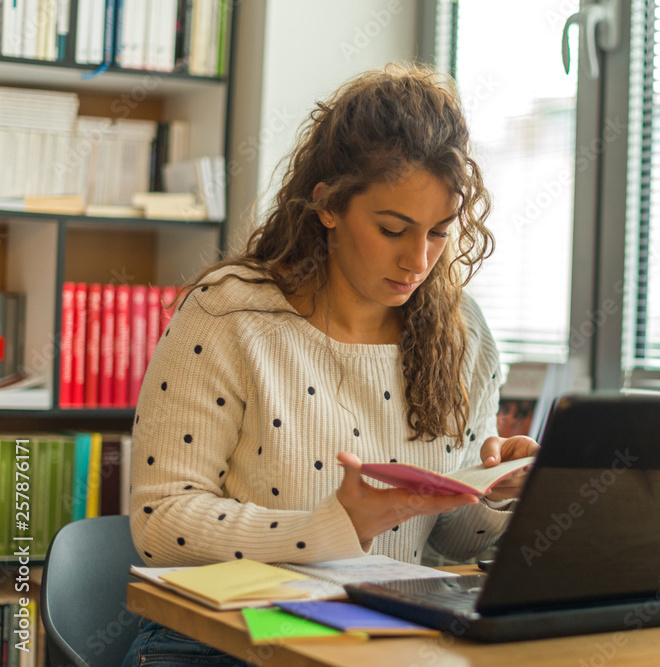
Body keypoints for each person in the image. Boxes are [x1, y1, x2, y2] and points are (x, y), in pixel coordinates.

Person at [122, 63, 539, 666]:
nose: (418, 260)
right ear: (328, 205)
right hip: (228, 641)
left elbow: (450, 536)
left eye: (440, 233)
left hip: (386, 638)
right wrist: (329, 527)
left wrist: (506, 496)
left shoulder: (461, 331)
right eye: (393, 229)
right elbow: (161, 524)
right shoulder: (230, 316)